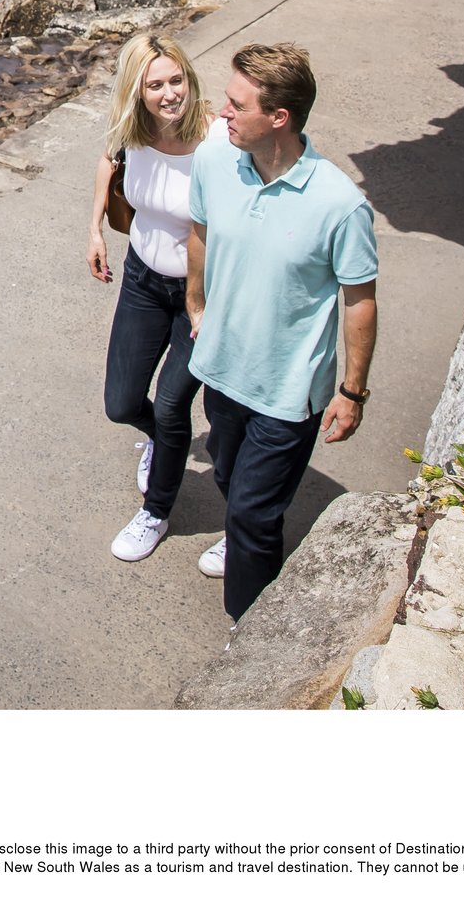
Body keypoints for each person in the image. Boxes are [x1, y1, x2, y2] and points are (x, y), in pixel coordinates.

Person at [185, 43, 378, 623]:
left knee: (252, 513)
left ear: (279, 119)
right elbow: (200, 229)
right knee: (224, 469)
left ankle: (248, 632)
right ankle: (245, 540)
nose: (222, 112)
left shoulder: (341, 205)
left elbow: (359, 300)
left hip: (288, 391)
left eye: (236, 104)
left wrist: (352, 391)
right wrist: (195, 305)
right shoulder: (216, 162)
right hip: (222, 368)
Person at [88, 34, 214, 562]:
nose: (170, 94)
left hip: (201, 295)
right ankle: (165, 442)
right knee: (121, 403)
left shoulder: (218, 138)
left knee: (170, 404)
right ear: (136, 92)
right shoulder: (132, 131)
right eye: (155, 84)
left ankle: (155, 512)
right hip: (141, 280)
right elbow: (107, 161)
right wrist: (94, 227)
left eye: (176, 80)